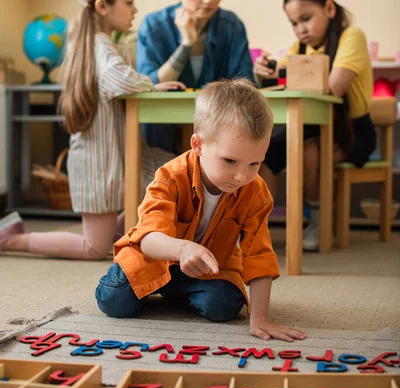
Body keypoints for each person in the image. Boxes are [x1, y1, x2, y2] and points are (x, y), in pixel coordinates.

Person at [96, 79, 307, 342]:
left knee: (224, 306)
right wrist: (183, 249)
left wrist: (260, 318)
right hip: (153, 260)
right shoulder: (169, 177)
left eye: (255, 163)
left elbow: (259, 255)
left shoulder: (256, 192)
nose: (242, 176)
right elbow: (149, 239)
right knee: (114, 300)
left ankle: (181, 291)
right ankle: (166, 288)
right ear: (198, 145)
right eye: (230, 161)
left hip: (210, 268)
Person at [0, 0, 184, 259]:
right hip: (98, 163)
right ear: (102, 6)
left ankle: (126, 230)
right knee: (94, 247)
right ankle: (9, 240)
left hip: (112, 156)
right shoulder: (99, 46)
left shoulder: (94, 44)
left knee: (169, 178)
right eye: (129, 1)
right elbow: (118, 78)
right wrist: (152, 83)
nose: (134, 9)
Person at [254, 0, 376, 251]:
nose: (301, 29)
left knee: (309, 153)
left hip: (352, 129)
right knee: (258, 155)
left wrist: (286, 75)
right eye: (294, 23)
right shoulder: (299, 49)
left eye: (306, 19)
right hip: (306, 126)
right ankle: (254, 224)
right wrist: (267, 71)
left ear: (329, 9)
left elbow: (333, 87)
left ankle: (319, 220)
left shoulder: (351, 36)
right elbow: (279, 81)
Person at [136, 0, 254, 152]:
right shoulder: (154, 26)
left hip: (218, 135)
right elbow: (148, 87)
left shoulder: (232, 26)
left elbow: (245, 85)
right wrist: (186, 44)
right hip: (162, 133)